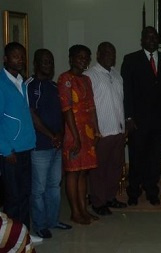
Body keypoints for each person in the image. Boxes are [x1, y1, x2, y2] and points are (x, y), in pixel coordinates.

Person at [121, 26, 161, 206]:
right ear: (142, 40)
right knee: (137, 157)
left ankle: (152, 191)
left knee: (155, 158)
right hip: (138, 121)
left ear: (158, 39)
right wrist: (129, 117)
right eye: (148, 37)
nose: (152, 40)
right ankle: (133, 191)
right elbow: (127, 91)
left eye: (155, 37)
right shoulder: (131, 60)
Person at [0, 42, 36, 231]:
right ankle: (13, 239)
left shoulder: (21, 82)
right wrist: (6, 150)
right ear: (5, 59)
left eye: (22, 56)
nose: (20, 59)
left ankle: (25, 235)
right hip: (10, 151)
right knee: (14, 197)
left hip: (25, 147)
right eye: (15, 56)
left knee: (25, 194)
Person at [26, 49, 72, 239]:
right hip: (40, 146)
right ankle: (39, 225)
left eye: (51, 62)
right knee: (39, 189)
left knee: (54, 185)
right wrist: (51, 135)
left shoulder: (54, 86)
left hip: (56, 145)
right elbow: (31, 114)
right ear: (36, 64)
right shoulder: (30, 85)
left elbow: (62, 113)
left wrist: (60, 134)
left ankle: (53, 220)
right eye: (44, 62)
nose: (48, 65)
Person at [57, 45, 100, 224]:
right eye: (79, 57)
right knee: (73, 173)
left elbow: (91, 107)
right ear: (71, 58)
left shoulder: (86, 80)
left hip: (87, 131)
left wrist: (96, 131)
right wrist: (75, 137)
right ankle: (75, 212)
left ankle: (84, 209)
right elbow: (66, 110)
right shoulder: (64, 79)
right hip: (72, 132)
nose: (83, 60)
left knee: (84, 173)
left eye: (86, 58)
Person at [84, 42, 127, 215]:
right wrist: (93, 130)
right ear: (98, 54)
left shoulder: (117, 75)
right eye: (107, 53)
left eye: (113, 53)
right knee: (98, 170)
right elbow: (87, 106)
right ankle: (97, 201)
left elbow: (121, 102)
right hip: (101, 131)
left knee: (115, 168)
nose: (111, 56)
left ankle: (110, 198)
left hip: (118, 130)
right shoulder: (90, 75)